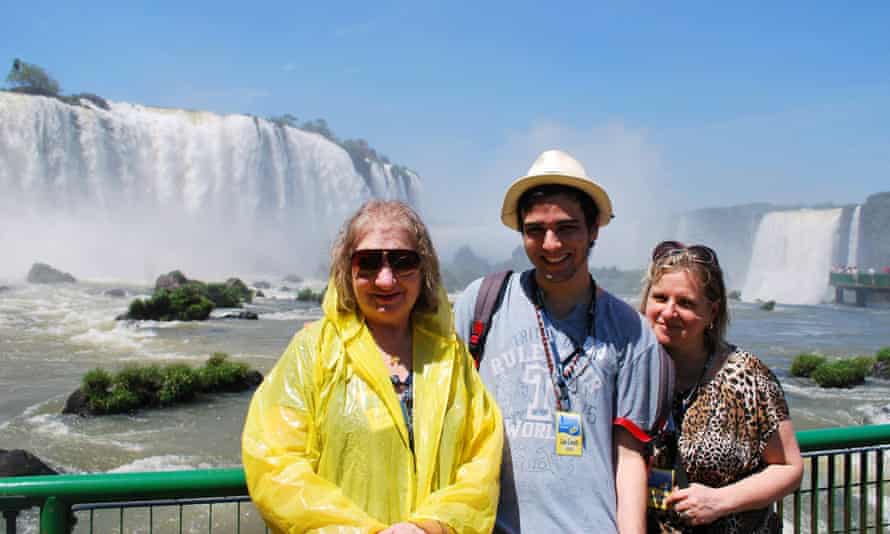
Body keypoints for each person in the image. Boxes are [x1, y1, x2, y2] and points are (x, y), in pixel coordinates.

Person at [242, 200, 504, 534]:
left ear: (424, 270)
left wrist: (431, 527)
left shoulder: (450, 358)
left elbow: (482, 462)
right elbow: (274, 464)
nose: (385, 280)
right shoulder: (313, 352)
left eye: (402, 261)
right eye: (367, 262)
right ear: (346, 270)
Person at [453, 149, 674, 533]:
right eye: (535, 229)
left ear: (594, 230)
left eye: (567, 228)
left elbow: (630, 458)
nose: (551, 244)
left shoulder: (633, 332)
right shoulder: (481, 305)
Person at [640, 241, 803, 533]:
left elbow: (789, 468)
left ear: (713, 311)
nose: (668, 311)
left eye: (686, 302)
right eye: (660, 298)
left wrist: (720, 501)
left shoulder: (748, 376)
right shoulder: (632, 372)